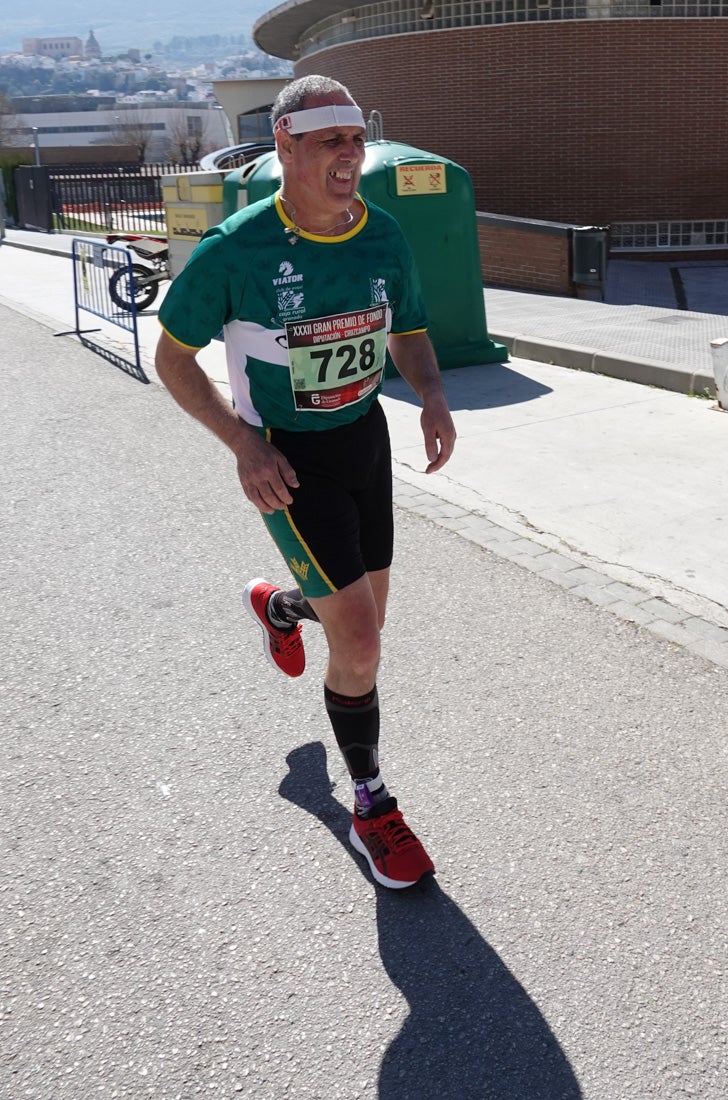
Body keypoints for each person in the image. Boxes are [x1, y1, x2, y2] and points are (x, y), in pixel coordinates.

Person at [155, 75, 456, 890]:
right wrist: (241, 445)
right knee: (358, 644)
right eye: (331, 142)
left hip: (363, 441)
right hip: (287, 460)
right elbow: (172, 359)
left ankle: (278, 605)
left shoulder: (383, 235)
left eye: (356, 141)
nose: (350, 157)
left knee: (358, 629)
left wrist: (430, 395)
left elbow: (412, 330)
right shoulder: (236, 250)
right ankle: (369, 803)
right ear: (285, 145)